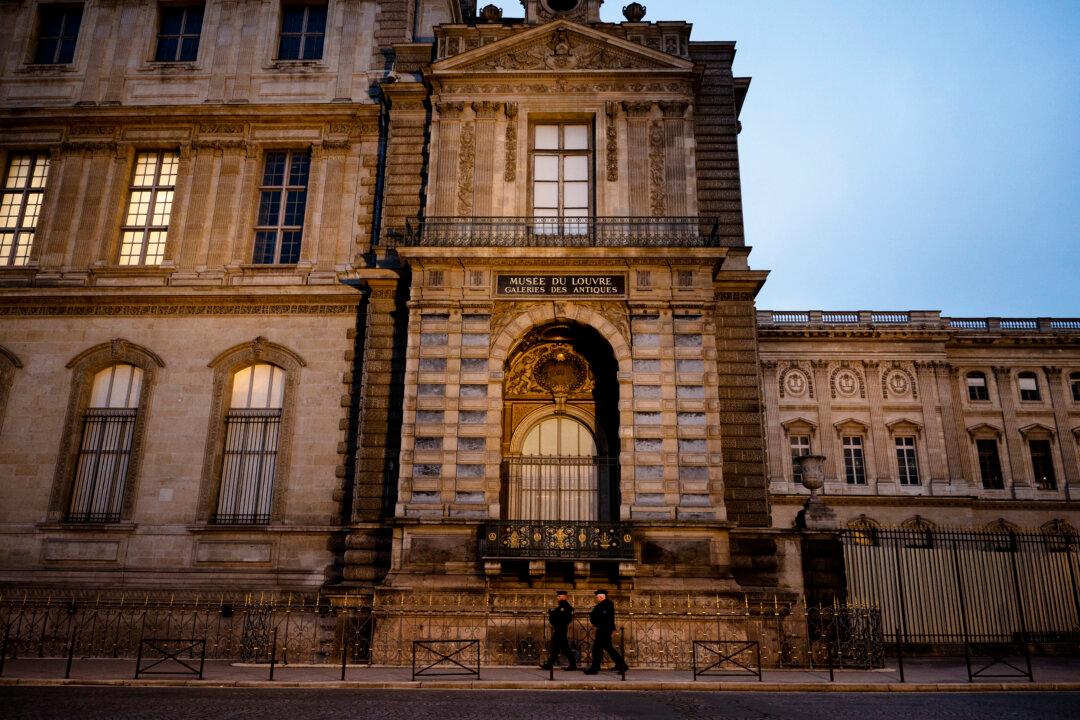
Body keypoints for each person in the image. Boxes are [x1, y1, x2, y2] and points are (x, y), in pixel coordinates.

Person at [583, 589, 628, 674]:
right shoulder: (604, 605)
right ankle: (621, 665)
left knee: (597, 649)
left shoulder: (606, 605)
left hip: (604, 630)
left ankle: (595, 668)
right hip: (604, 629)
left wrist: (595, 621)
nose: (596, 598)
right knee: (607, 648)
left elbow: (604, 618)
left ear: (601, 597)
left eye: (597, 597)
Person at [540, 589, 576, 671]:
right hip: (559, 629)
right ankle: (549, 664)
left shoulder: (565, 607)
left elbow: (564, 618)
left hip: (561, 630)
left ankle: (573, 665)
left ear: (564, 597)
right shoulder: (561, 606)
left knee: (565, 648)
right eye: (558, 596)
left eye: (559, 596)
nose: (558, 598)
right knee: (555, 648)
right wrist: (552, 614)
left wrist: (553, 615)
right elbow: (556, 614)